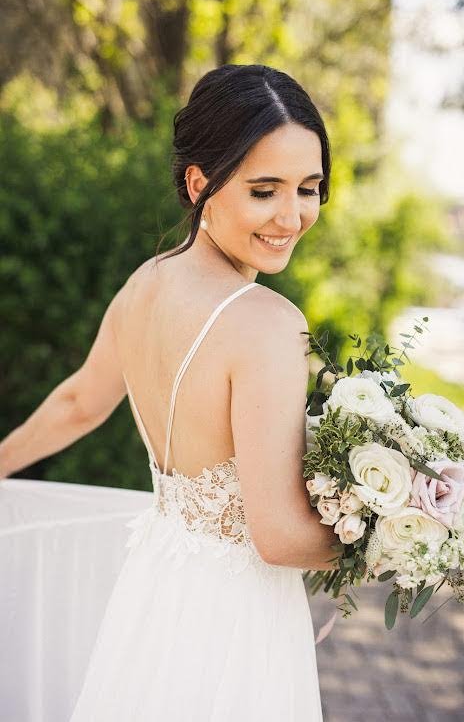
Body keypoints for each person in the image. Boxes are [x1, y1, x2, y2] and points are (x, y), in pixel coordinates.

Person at [0, 64, 340, 721]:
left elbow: (79, 403)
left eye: (308, 187)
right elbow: (276, 536)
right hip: (238, 618)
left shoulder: (147, 282)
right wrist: (391, 536)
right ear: (198, 183)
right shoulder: (268, 324)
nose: (291, 215)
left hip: (155, 591)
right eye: (264, 190)